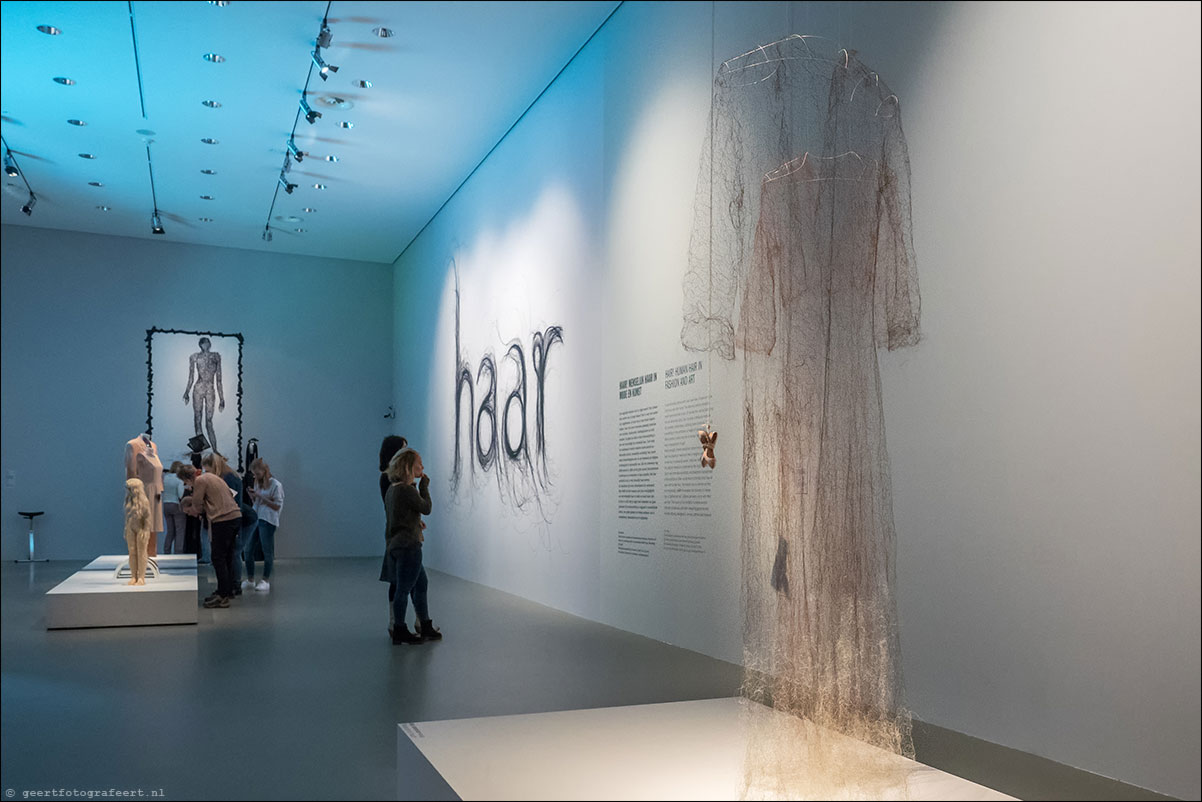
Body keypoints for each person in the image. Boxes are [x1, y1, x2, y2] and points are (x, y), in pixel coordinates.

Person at [382, 448, 441, 645]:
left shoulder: (393, 489)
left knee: (420, 584)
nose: (422, 467)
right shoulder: (407, 490)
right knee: (404, 589)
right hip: (409, 546)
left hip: (397, 544)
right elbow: (426, 508)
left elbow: (398, 517)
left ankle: (425, 625)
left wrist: (415, 523)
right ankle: (400, 629)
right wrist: (424, 486)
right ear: (408, 466)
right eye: (419, 464)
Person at [180, 459, 241, 608]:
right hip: (234, 516)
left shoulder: (200, 480)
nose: (187, 486)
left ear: (187, 478)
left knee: (218, 557)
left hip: (223, 519)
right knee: (227, 557)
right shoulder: (212, 477)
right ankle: (226, 590)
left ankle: (223, 596)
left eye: (185, 483)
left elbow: (197, 505)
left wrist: (192, 506)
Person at [378, 435, 408, 634]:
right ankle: (396, 622)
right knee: (400, 579)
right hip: (399, 534)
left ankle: (399, 622)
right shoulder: (390, 479)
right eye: (403, 449)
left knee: (404, 579)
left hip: (398, 532)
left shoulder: (393, 479)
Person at [208, 452, 245, 595]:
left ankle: (234, 584)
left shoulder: (229, 478)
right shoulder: (230, 476)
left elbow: (230, 500)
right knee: (231, 553)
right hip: (234, 518)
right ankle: (231, 585)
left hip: (232, 519)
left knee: (233, 552)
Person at [244, 458, 283, 592]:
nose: (255, 476)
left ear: (264, 471)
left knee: (267, 551)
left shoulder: (276, 485)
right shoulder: (258, 484)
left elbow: (277, 506)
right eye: (254, 474)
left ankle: (265, 580)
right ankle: (250, 579)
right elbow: (258, 502)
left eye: (257, 474)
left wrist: (261, 497)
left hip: (268, 520)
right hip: (256, 517)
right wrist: (253, 496)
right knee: (248, 549)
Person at [182, 337, 225, 455]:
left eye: (208, 342)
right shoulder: (195, 357)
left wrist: (222, 398)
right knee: (197, 418)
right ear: (200, 345)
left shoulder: (216, 356)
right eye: (204, 343)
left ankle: (215, 450)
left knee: (209, 421)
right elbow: (191, 377)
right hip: (198, 388)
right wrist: (186, 392)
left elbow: (219, 379)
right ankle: (199, 449)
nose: (206, 345)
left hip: (210, 389)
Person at [161, 461, 187, 554]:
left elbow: (162, 490)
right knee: (180, 530)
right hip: (176, 505)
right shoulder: (179, 480)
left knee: (170, 530)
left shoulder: (165, 478)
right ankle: (178, 552)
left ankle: (166, 551)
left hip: (166, 504)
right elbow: (180, 495)